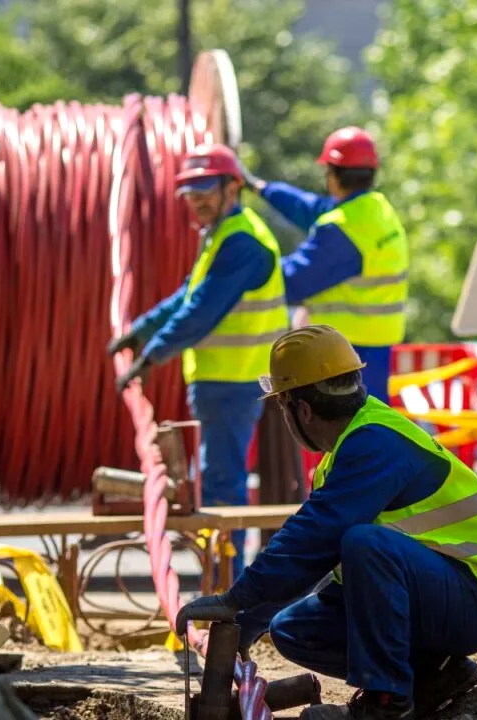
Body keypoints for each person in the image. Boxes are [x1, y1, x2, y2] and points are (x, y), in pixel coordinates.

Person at [175, 325, 477, 720]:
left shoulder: (375, 441)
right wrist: (247, 621)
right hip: (441, 592)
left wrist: (233, 599)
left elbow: (311, 537)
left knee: (364, 544)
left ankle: (385, 705)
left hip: (476, 597)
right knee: (292, 629)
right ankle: (433, 676)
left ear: (300, 409)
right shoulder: (351, 446)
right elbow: (314, 556)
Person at [109, 143, 290, 580]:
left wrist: (152, 357)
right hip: (221, 382)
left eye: (205, 189)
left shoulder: (242, 241)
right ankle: (225, 579)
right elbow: (187, 295)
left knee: (222, 487)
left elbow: (202, 311)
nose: (196, 200)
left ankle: (230, 585)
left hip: (234, 382)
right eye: (190, 192)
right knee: (215, 483)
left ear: (233, 188)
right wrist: (142, 330)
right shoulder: (221, 235)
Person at [238, 127, 409, 404]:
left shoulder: (340, 229)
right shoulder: (377, 210)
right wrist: (261, 188)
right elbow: (309, 208)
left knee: (345, 433)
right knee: (368, 428)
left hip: (343, 355)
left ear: (333, 175)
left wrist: (240, 269)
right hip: (374, 348)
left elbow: (292, 282)